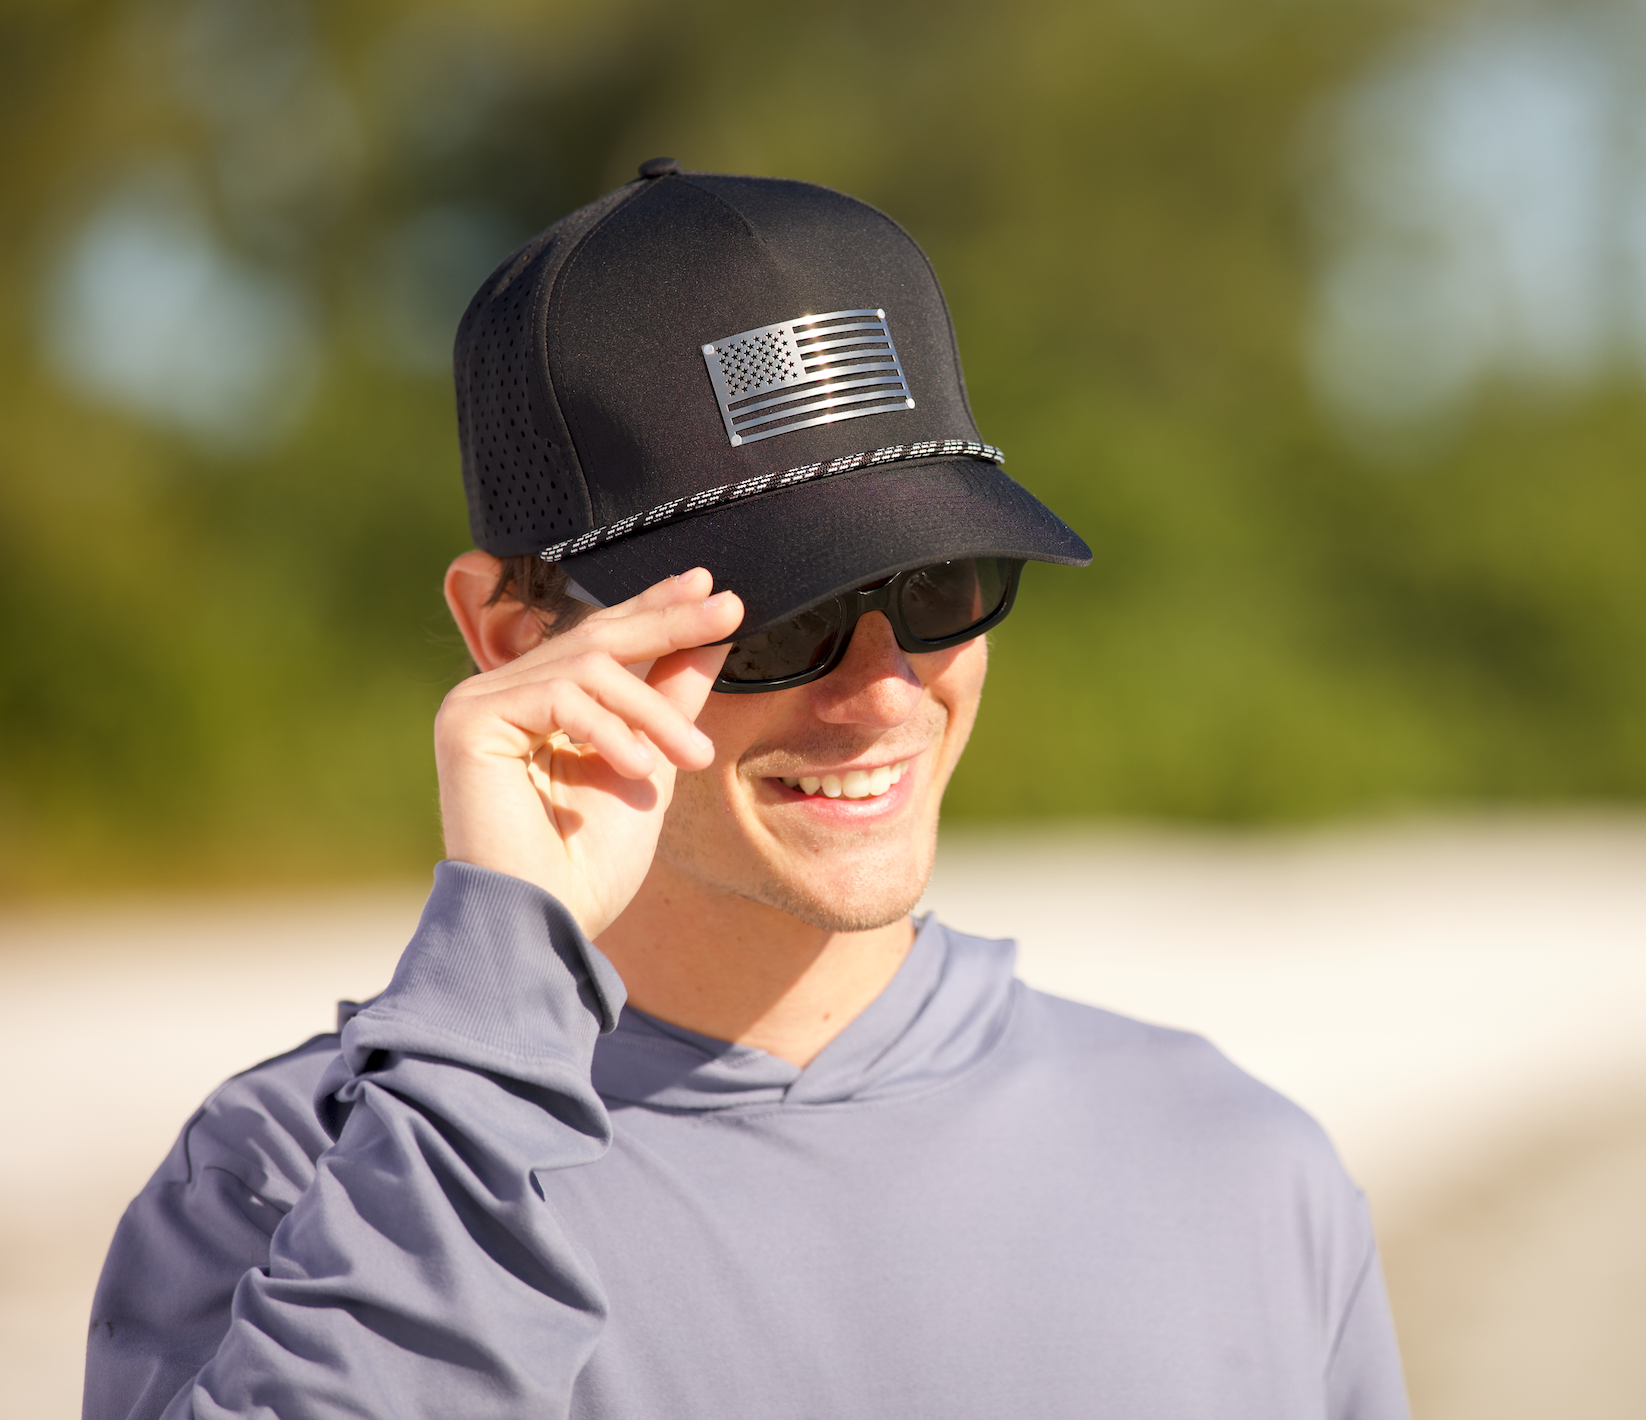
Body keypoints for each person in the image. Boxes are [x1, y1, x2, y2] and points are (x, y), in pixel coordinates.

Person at [84, 161, 1411, 1420]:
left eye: (938, 586)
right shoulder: (290, 1186)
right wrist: (492, 1005)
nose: (886, 689)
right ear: (510, 634)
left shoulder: (1241, 1168)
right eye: (781, 617)